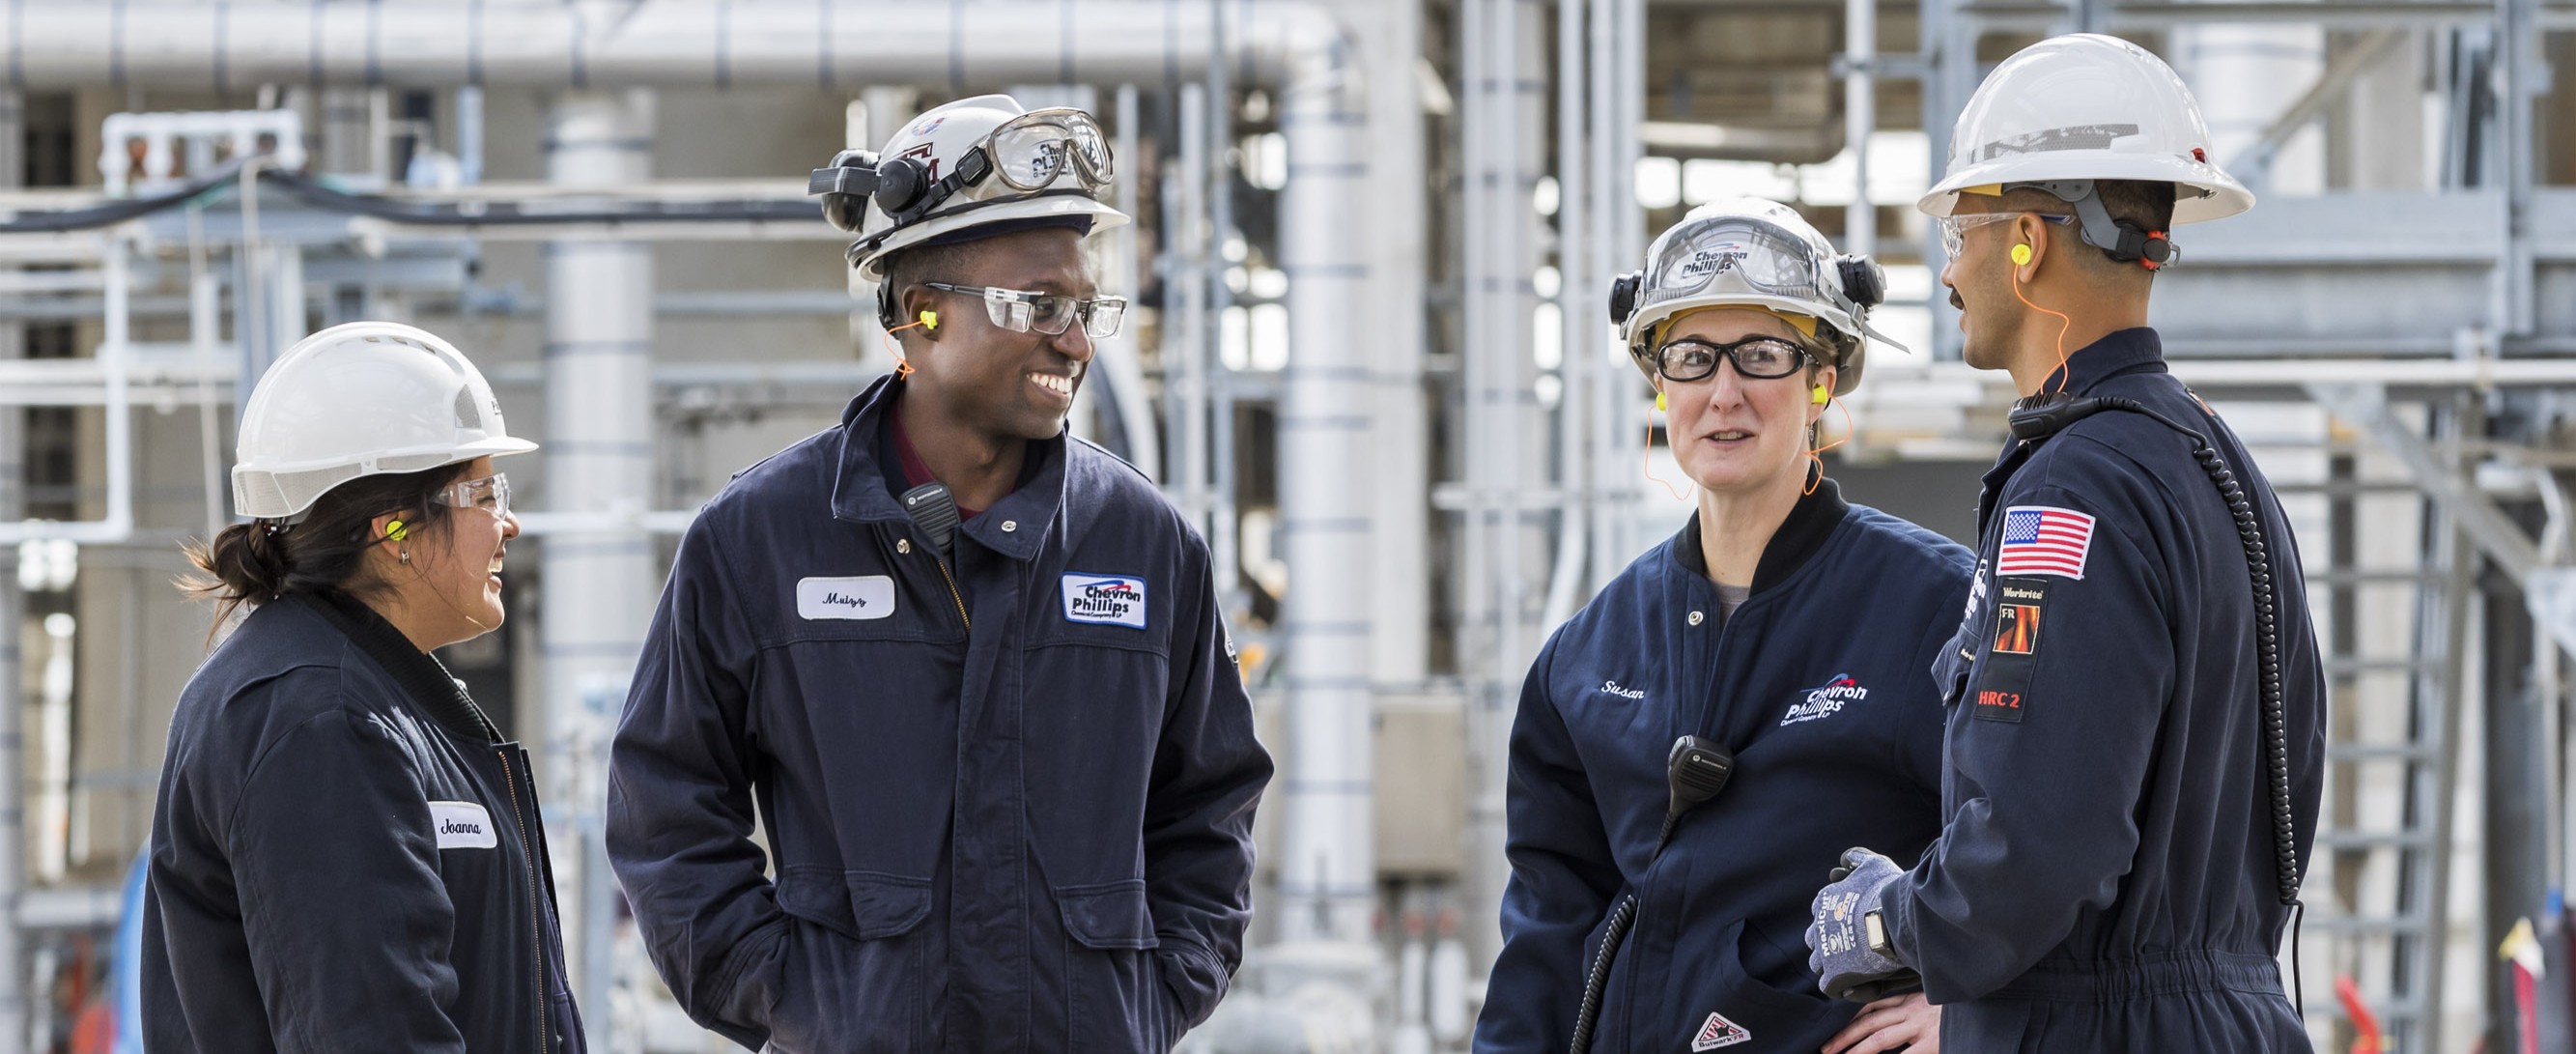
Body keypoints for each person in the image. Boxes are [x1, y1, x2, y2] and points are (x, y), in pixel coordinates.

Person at [609, 94, 1273, 1053]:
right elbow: (665, 806)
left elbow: (1210, 808)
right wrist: (794, 1000)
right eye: (1037, 306)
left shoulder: (1145, 546)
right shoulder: (760, 539)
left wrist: (1152, 997)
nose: (1076, 341)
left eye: (1085, 308)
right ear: (918, 312)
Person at [1803, 33, 2328, 1050]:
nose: (1946, 269)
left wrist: (1886, 919)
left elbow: (2040, 840)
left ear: (2025, 244)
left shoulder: (2072, 489)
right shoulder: (2215, 462)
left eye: (1957, 229)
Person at [1475, 198, 1973, 1054]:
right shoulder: (1589, 654)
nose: (1723, 392)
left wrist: (1973, 1010)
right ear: (1658, 381)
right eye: (1692, 357)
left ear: (1821, 381)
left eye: (1763, 354)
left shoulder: (1935, 607)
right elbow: (1547, 928)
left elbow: (2055, 845)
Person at [143, 321, 582, 1053]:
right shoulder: (320, 720)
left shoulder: (360, 698)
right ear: (395, 531)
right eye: (483, 492)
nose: (508, 522)